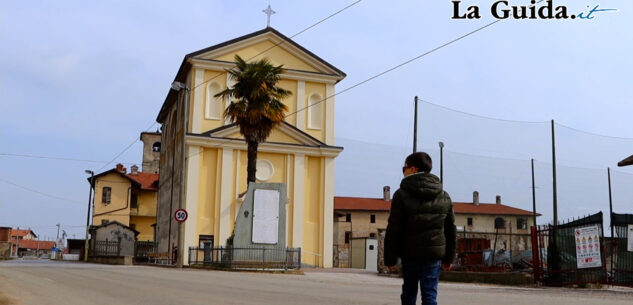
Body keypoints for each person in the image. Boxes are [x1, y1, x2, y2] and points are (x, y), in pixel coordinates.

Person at [384, 152, 456, 305]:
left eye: (405, 167)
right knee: (430, 295)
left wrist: (390, 258)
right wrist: (449, 257)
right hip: (433, 255)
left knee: (409, 293)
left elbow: (394, 229)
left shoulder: (401, 195)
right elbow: (450, 230)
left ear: (414, 169)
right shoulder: (444, 196)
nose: (403, 171)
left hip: (410, 254)